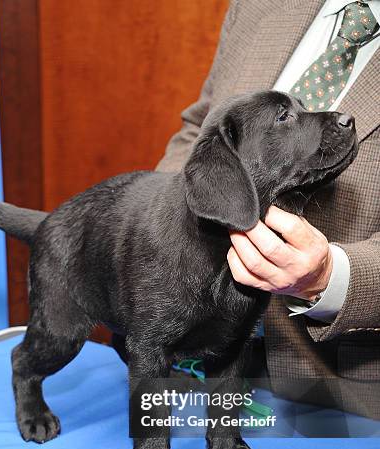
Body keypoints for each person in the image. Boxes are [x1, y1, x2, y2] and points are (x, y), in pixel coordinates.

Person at [156, 0, 380, 418]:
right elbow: (199, 129)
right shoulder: (257, 4)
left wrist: (330, 278)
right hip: (191, 357)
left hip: (340, 393)